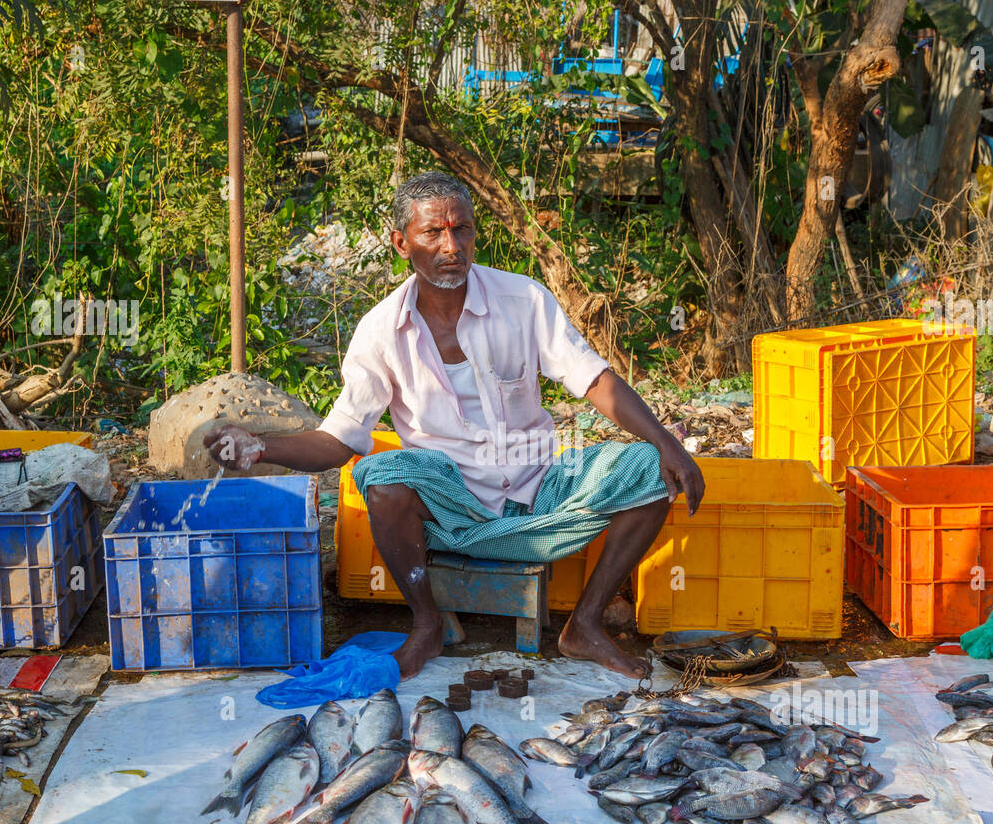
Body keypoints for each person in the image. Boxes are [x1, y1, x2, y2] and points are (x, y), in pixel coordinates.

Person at [207, 171, 704, 679]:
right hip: (451, 508)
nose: (452, 246)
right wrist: (259, 447)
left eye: (462, 229)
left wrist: (667, 441)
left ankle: (584, 624)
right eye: (433, 234)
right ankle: (427, 626)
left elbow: (593, 379)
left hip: (542, 490)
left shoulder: (523, 300)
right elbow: (340, 440)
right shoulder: (381, 331)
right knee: (381, 479)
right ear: (401, 242)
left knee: (651, 467)